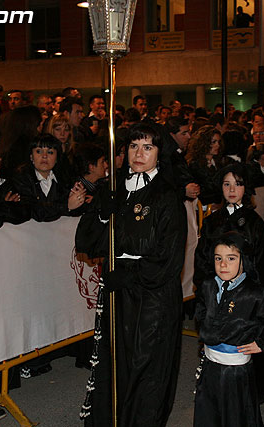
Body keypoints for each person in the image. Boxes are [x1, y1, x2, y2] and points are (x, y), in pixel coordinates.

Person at [80, 123, 187, 427]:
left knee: (146, 364)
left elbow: (170, 257)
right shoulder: (112, 187)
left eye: (147, 147)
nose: (139, 154)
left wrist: (128, 276)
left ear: (159, 153)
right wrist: (103, 213)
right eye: (133, 146)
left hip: (152, 291)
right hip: (118, 287)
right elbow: (86, 241)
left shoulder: (167, 194)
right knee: (117, 360)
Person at [194, 231, 264, 427]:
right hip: (209, 365)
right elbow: (201, 309)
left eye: (231, 258)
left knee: (236, 416)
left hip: (236, 372)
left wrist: (263, 342)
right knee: (208, 413)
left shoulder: (255, 294)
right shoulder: (207, 285)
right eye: (218, 258)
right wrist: (208, 327)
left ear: (244, 261)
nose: (223, 265)